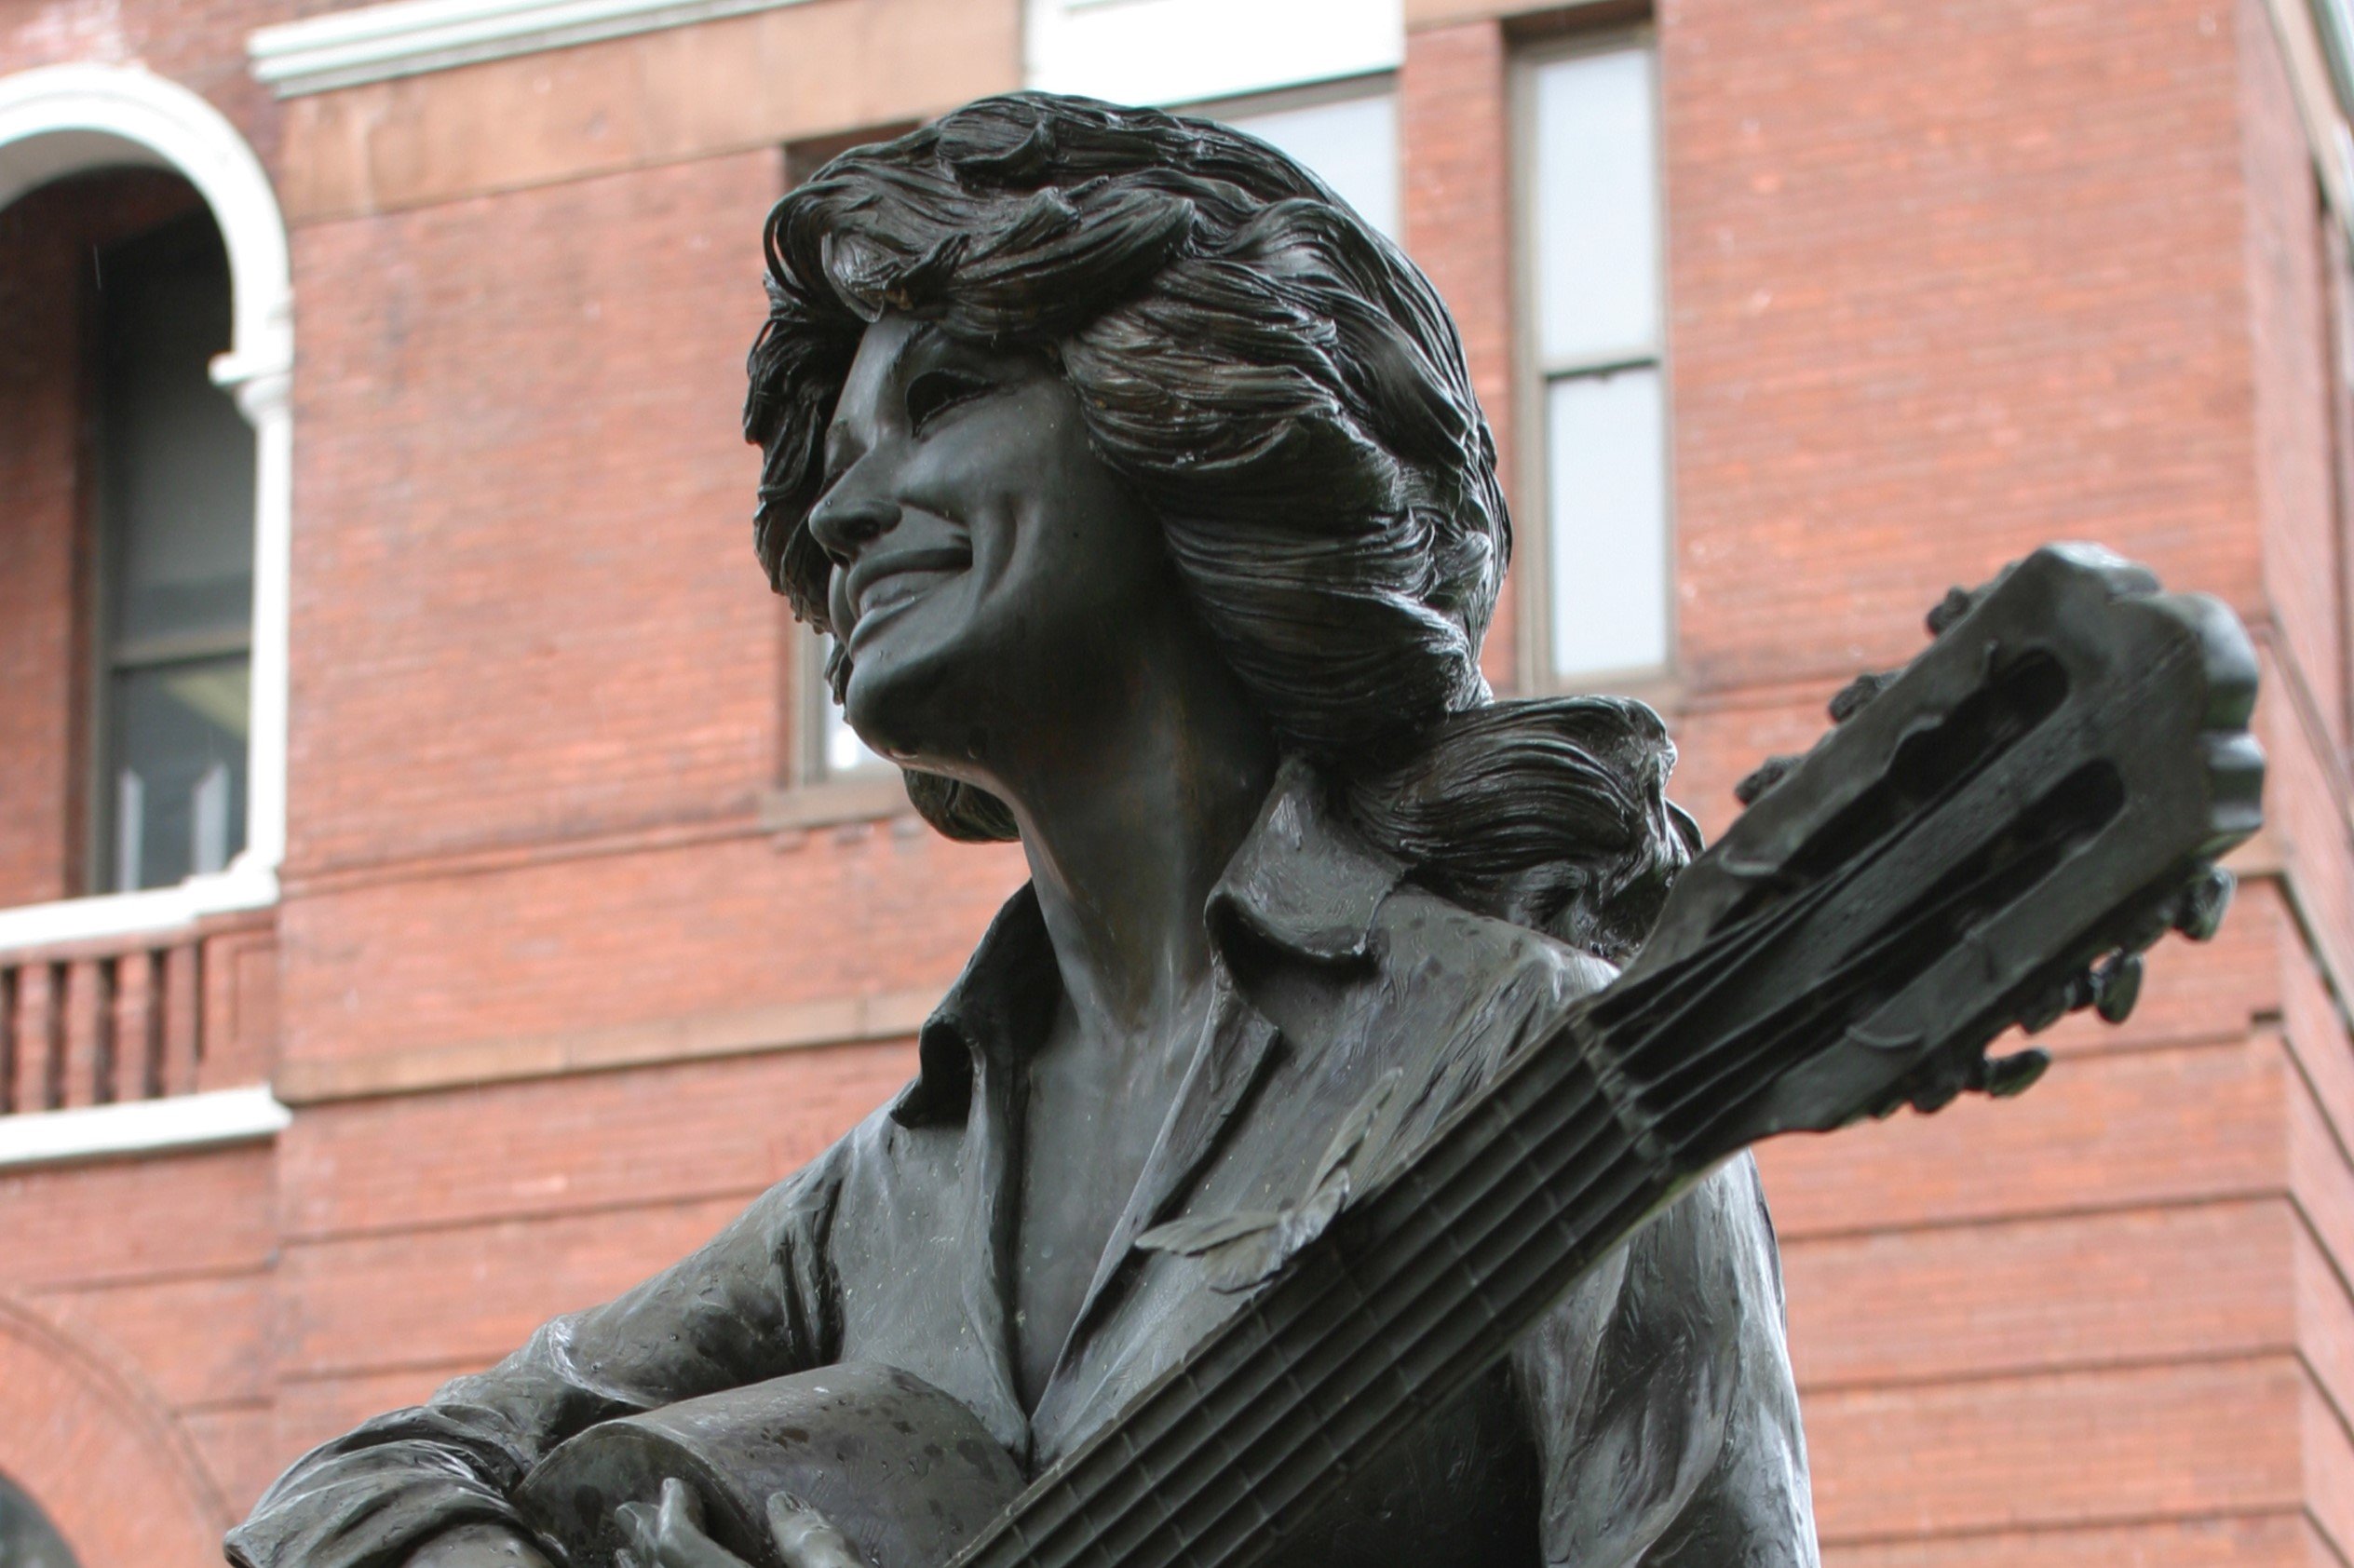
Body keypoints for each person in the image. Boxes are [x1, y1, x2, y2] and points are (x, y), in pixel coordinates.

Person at [227, 92, 1820, 1568]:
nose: (846, 515)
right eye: (839, 463)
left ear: (1188, 410)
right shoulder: (887, 1197)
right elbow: (352, 1488)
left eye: (943, 402)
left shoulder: (1536, 1063)